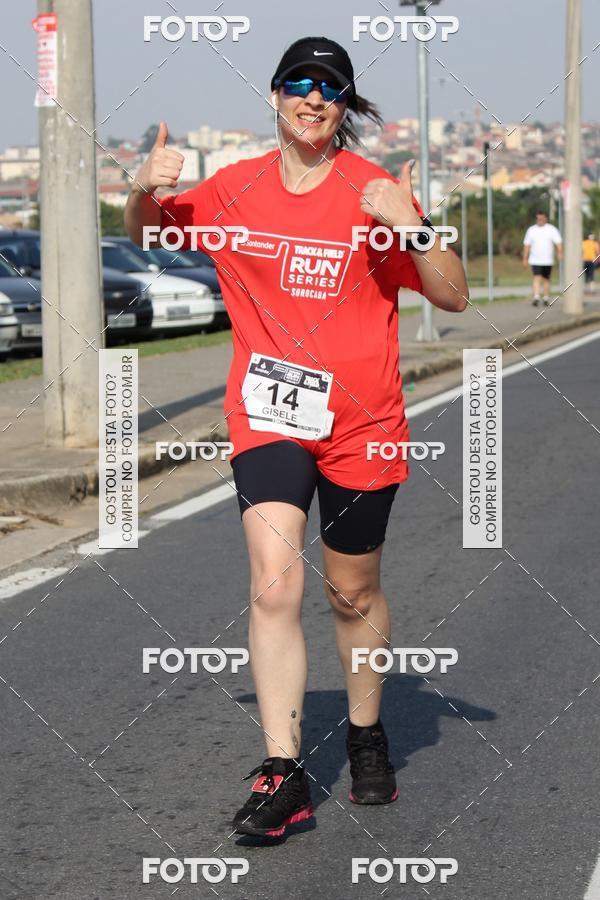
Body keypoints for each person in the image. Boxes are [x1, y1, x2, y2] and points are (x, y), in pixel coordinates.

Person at [125, 35, 468, 839]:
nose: (313, 99)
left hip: (365, 424)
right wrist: (141, 190)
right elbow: (150, 235)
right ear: (275, 95)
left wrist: (410, 226)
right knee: (275, 583)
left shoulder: (372, 192)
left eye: (331, 89)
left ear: (343, 109)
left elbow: (451, 296)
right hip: (271, 415)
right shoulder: (234, 189)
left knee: (350, 592)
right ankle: (283, 769)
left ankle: (365, 730)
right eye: (299, 84)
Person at [522, 211, 563, 306]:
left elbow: (558, 243)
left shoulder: (551, 229)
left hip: (548, 260)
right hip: (535, 259)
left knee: (546, 279)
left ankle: (546, 297)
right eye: (538, 218)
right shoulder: (531, 230)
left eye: (541, 218)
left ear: (546, 219)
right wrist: (525, 258)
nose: (539, 220)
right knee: (536, 277)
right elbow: (526, 245)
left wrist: (560, 253)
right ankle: (536, 297)